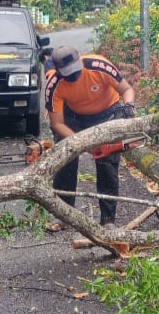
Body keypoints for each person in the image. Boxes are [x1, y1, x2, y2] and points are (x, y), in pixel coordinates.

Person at [43, 45, 136, 230]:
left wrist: (129, 107)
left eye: (75, 71)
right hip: (73, 118)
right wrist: (82, 143)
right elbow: (57, 123)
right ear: (59, 71)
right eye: (67, 74)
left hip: (107, 112)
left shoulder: (99, 65)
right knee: (65, 158)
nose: (73, 76)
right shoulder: (54, 84)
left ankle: (108, 220)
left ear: (80, 60)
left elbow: (126, 89)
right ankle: (63, 215)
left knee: (107, 164)